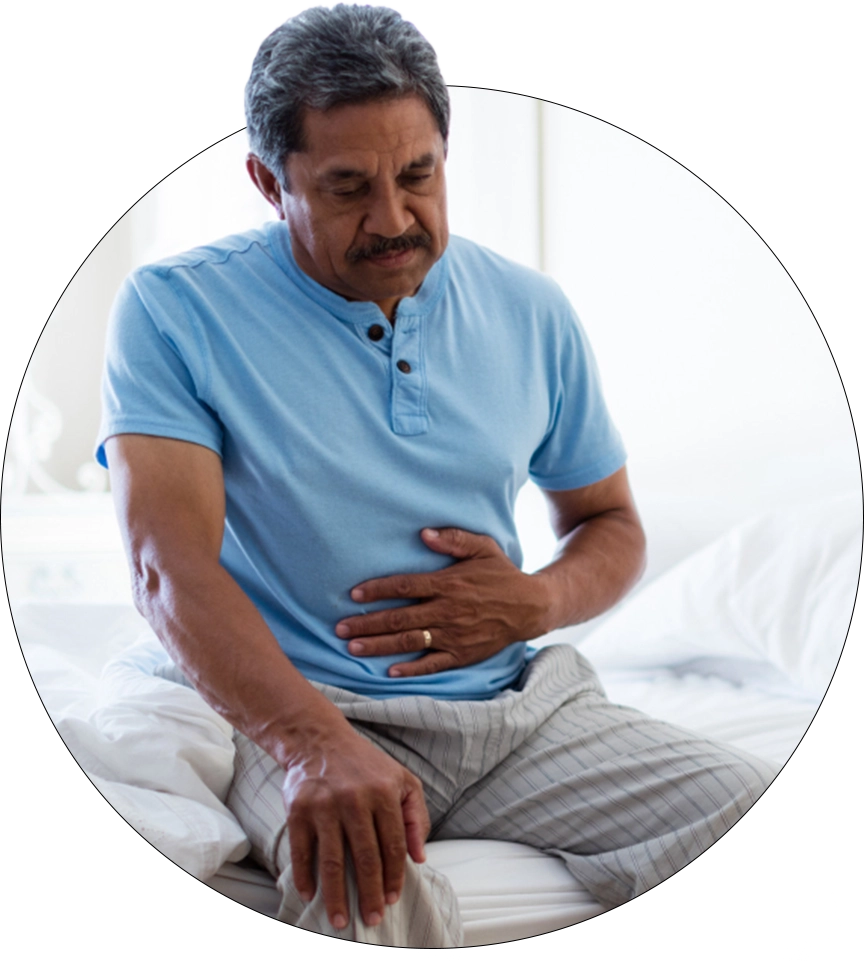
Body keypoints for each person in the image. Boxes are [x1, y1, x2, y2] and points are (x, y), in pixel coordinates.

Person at [96, 2, 774, 948]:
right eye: (346, 188)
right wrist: (312, 745)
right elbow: (166, 568)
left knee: (756, 813)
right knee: (370, 902)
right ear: (269, 181)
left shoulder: (532, 310)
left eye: (418, 174)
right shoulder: (175, 310)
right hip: (304, 707)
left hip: (518, 712)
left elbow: (611, 522)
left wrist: (539, 602)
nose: (394, 218)